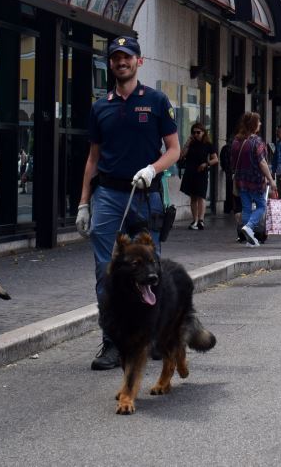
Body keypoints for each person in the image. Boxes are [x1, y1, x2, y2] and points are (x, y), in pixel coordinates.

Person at [75, 36, 180, 370]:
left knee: (150, 270)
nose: (122, 62)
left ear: (139, 61)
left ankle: (152, 335)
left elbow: (174, 150)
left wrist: (152, 169)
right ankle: (113, 343)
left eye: (128, 57)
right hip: (108, 196)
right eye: (116, 58)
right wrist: (83, 203)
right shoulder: (100, 107)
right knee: (106, 272)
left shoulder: (156, 101)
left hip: (146, 196)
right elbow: (93, 159)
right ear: (110, 64)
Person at [231, 112, 277, 246]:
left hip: (241, 180)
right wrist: (270, 179)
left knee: (246, 208)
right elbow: (262, 162)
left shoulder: (236, 141)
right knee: (261, 206)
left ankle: (248, 236)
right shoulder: (257, 142)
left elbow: (232, 162)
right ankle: (249, 227)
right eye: (258, 122)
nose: (260, 124)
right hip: (255, 181)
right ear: (253, 125)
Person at [180, 123, 217, 230]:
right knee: (193, 197)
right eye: (194, 132)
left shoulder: (208, 144)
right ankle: (194, 220)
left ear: (203, 132)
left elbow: (215, 159)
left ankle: (201, 220)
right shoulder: (191, 144)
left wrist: (206, 164)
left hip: (201, 172)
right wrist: (187, 143)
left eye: (198, 132)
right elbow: (182, 155)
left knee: (201, 196)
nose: (196, 134)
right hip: (190, 172)